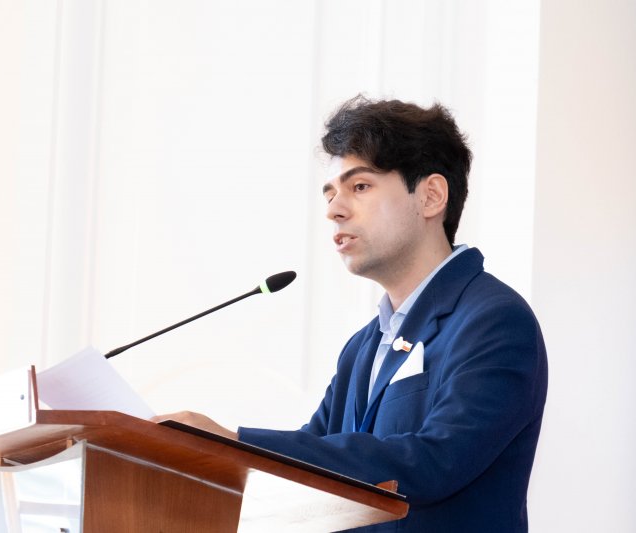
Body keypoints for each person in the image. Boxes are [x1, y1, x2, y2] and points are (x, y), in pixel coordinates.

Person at [156, 96, 548, 532]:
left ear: (431, 196)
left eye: (359, 187)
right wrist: (209, 456)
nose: (333, 210)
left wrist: (236, 442)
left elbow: (434, 461)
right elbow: (312, 459)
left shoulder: (494, 320)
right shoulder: (363, 345)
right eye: (330, 193)